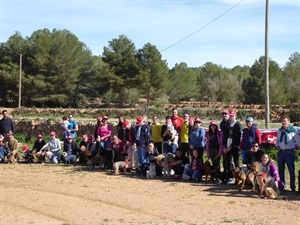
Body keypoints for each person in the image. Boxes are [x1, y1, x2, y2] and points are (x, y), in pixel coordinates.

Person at [275, 116, 300, 191]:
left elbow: (298, 141)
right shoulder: (279, 131)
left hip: (289, 152)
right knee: (281, 170)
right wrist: (277, 146)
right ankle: (282, 185)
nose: (283, 123)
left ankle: (292, 186)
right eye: (282, 121)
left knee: (291, 170)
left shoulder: (293, 131)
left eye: (285, 121)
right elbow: (277, 140)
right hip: (281, 152)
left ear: (289, 122)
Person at [222, 109, 242, 184]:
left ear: (235, 116)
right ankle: (230, 177)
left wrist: (230, 147)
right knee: (227, 162)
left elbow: (237, 138)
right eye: (230, 116)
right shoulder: (227, 124)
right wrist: (224, 146)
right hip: (227, 145)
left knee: (236, 162)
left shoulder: (238, 125)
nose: (231, 117)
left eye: (232, 116)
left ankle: (238, 178)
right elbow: (225, 136)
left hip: (235, 146)